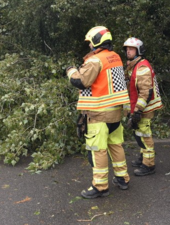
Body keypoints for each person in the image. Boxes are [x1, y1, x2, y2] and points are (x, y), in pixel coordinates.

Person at [66, 26, 131, 199]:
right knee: (116, 146)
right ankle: (122, 179)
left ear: (96, 40)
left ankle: (100, 186)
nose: (89, 46)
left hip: (99, 114)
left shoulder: (95, 60)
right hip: (115, 113)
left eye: (90, 42)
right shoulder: (115, 57)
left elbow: (82, 82)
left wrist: (71, 71)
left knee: (97, 150)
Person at [123, 37, 163, 176]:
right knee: (139, 133)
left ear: (139, 50)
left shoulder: (142, 67)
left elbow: (146, 91)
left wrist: (138, 111)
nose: (128, 51)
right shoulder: (134, 65)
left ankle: (149, 165)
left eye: (131, 49)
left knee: (144, 135)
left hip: (145, 108)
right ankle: (143, 157)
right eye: (127, 49)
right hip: (139, 107)